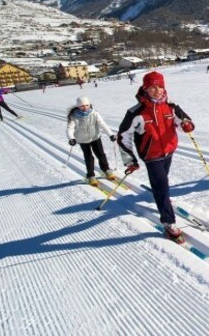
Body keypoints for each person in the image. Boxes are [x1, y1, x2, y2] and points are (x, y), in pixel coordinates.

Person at [116, 71, 195, 241]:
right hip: (151, 155)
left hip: (168, 151)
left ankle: (161, 197)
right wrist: (130, 160)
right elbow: (123, 136)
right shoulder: (136, 112)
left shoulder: (171, 106)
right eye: (152, 87)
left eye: (160, 87)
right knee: (161, 185)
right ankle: (168, 221)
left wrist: (187, 125)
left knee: (161, 182)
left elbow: (184, 121)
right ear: (145, 89)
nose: (157, 91)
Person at [67, 96, 117, 186]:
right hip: (82, 140)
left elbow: (102, 124)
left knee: (101, 154)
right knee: (89, 157)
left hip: (95, 137)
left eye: (87, 105)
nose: (85, 107)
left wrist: (110, 134)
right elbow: (70, 128)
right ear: (78, 106)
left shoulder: (94, 113)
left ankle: (106, 169)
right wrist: (71, 138)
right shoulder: (74, 116)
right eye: (82, 106)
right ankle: (90, 175)